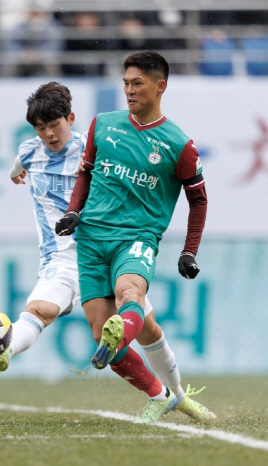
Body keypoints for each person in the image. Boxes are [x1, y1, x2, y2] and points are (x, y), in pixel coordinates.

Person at [54, 50, 215, 424]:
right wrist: (74, 211)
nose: (128, 90)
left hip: (137, 238)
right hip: (92, 240)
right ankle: (163, 395)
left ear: (160, 86)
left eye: (137, 83)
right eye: (125, 83)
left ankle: (131, 346)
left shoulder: (180, 145)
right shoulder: (103, 124)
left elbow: (199, 202)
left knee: (131, 294)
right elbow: (86, 173)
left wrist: (190, 252)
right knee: (107, 330)